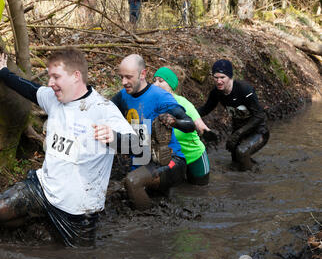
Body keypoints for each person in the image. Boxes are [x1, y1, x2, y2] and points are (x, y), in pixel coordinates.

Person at [0, 47, 136, 247]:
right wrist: (2, 72)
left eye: (56, 77)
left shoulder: (103, 109)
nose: (50, 83)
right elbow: (29, 88)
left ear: (76, 76)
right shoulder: (53, 98)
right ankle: (39, 222)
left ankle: (47, 227)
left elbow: (140, 147)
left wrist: (115, 138)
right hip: (42, 189)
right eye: (49, 77)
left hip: (79, 211)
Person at [111, 54, 196, 210]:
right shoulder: (123, 95)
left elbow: (190, 125)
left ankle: (148, 223)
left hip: (171, 161)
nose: (124, 82)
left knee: (132, 182)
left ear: (143, 74)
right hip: (142, 157)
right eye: (121, 77)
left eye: (128, 77)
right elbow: (103, 109)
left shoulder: (160, 96)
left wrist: (174, 121)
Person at [198, 59, 269, 171]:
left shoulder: (244, 89)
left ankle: (251, 180)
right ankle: (252, 170)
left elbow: (260, 116)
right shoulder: (216, 93)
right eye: (216, 77)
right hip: (239, 131)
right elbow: (205, 109)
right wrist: (186, 113)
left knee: (241, 152)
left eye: (222, 77)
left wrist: (237, 134)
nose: (219, 81)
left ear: (230, 77)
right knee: (236, 161)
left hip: (258, 131)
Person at [153, 67, 210, 185]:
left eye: (161, 81)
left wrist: (206, 131)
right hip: (174, 159)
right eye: (154, 80)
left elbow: (199, 124)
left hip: (194, 156)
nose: (155, 84)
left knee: (201, 190)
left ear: (171, 86)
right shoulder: (153, 104)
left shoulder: (183, 103)